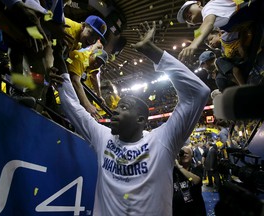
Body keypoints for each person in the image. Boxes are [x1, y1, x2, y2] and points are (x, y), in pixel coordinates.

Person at [52, 21, 210, 216]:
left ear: (141, 120)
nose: (115, 111)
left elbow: (198, 93)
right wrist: (59, 62)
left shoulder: (161, 141)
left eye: (124, 107)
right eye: (117, 107)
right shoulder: (103, 137)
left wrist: (151, 51)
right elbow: (74, 108)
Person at [66, 48, 108, 118]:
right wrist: (87, 105)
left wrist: (99, 95)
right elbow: (75, 81)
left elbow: (94, 77)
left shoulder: (90, 64)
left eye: (100, 64)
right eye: (96, 60)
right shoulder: (81, 58)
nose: (96, 64)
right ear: (91, 55)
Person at [173, 146, 206, 216]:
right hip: (179, 209)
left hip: (195, 209)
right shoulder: (173, 170)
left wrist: (180, 168)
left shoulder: (197, 167)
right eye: (182, 153)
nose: (184, 155)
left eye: (186, 153)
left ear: (192, 156)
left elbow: (196, 181)